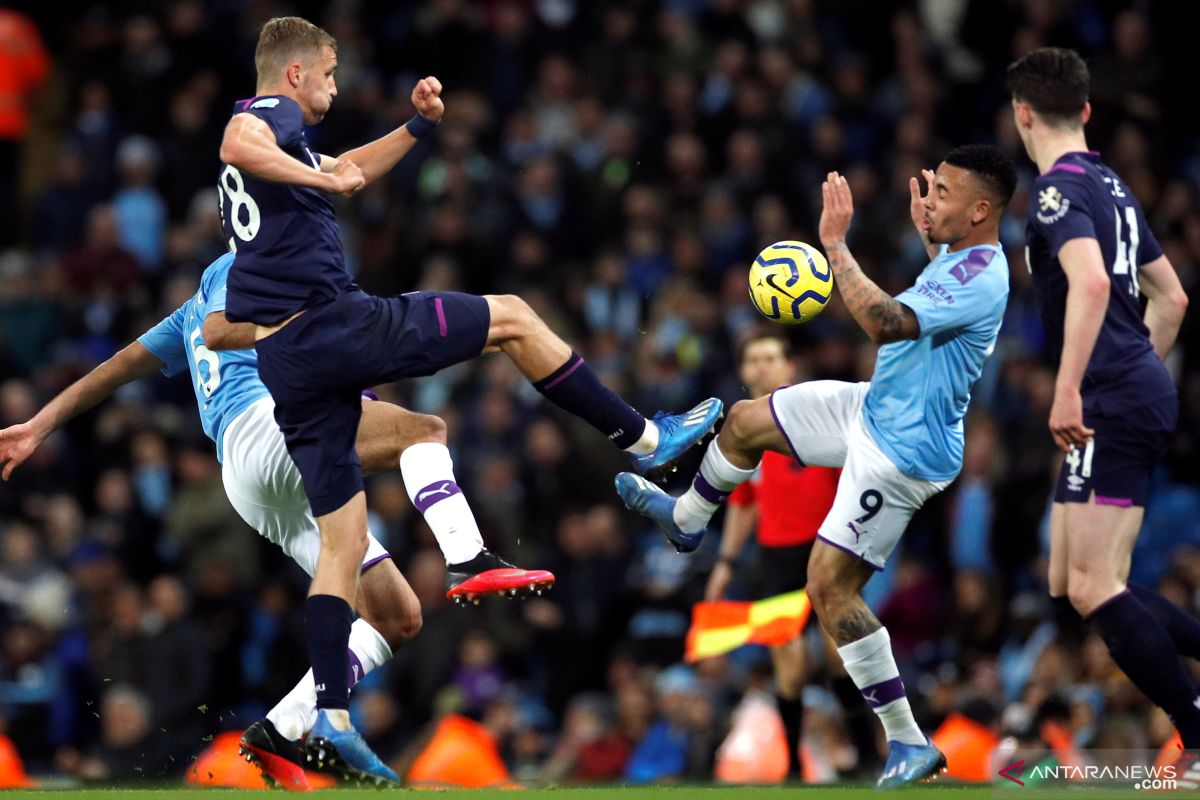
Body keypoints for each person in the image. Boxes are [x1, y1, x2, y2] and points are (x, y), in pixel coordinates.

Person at [210, 16, 722, 782]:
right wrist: (322, 179)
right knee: (513, 315)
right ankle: (648, 440)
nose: (335, 86)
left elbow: (345, 165)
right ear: (294, 75)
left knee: (343, 547)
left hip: (286, 359)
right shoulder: (266, 118)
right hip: (336, 325)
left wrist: (414, 128)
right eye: (330, 72)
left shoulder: (286, 149)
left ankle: (330, 715)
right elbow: (237, 143)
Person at [0, 253, 551, 790]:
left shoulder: (186, 314)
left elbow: (118, 368)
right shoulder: (243, 263)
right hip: (269, 429)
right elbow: (251, 329)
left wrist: (37, 425)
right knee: (423, 430)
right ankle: (466, 556)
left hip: (250, 480)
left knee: (396, 615)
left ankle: (280, 730)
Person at [617, 147, 1017, 788]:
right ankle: (686, 517)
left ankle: (910, 744)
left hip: (902, 453)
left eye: (943, 191)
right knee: (744, 422)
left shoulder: (984, 274)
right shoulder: (958, 255)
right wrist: (930, 240)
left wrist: (835, 246)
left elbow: (888, 323)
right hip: (874, 410)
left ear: (979, 210)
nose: (929, 197)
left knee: (828, 591)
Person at [1007, 47, 1197, 783]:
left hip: (1106, 395)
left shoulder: (1056, 192)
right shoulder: (1113, 185)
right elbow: (1172, 298)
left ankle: (1195, 727)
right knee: (1070, 577)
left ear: (1023, 112)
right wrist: (1137, 369)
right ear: (1084, 110)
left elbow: (1088, 284)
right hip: (1127, 388)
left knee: (1092, 587)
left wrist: (1074, 386)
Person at [704, 330, 842, 779]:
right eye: (754, 360)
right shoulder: (743, 431)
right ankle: (794, 767)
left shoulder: (816, 411)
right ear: (744, 371)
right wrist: (724, 564)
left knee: (842, 654)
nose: (762, 367)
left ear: (789, 368)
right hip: (775, 556)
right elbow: (743, 504)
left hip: (828, 548)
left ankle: (866, 753)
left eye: (770, 358)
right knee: (789, 662)